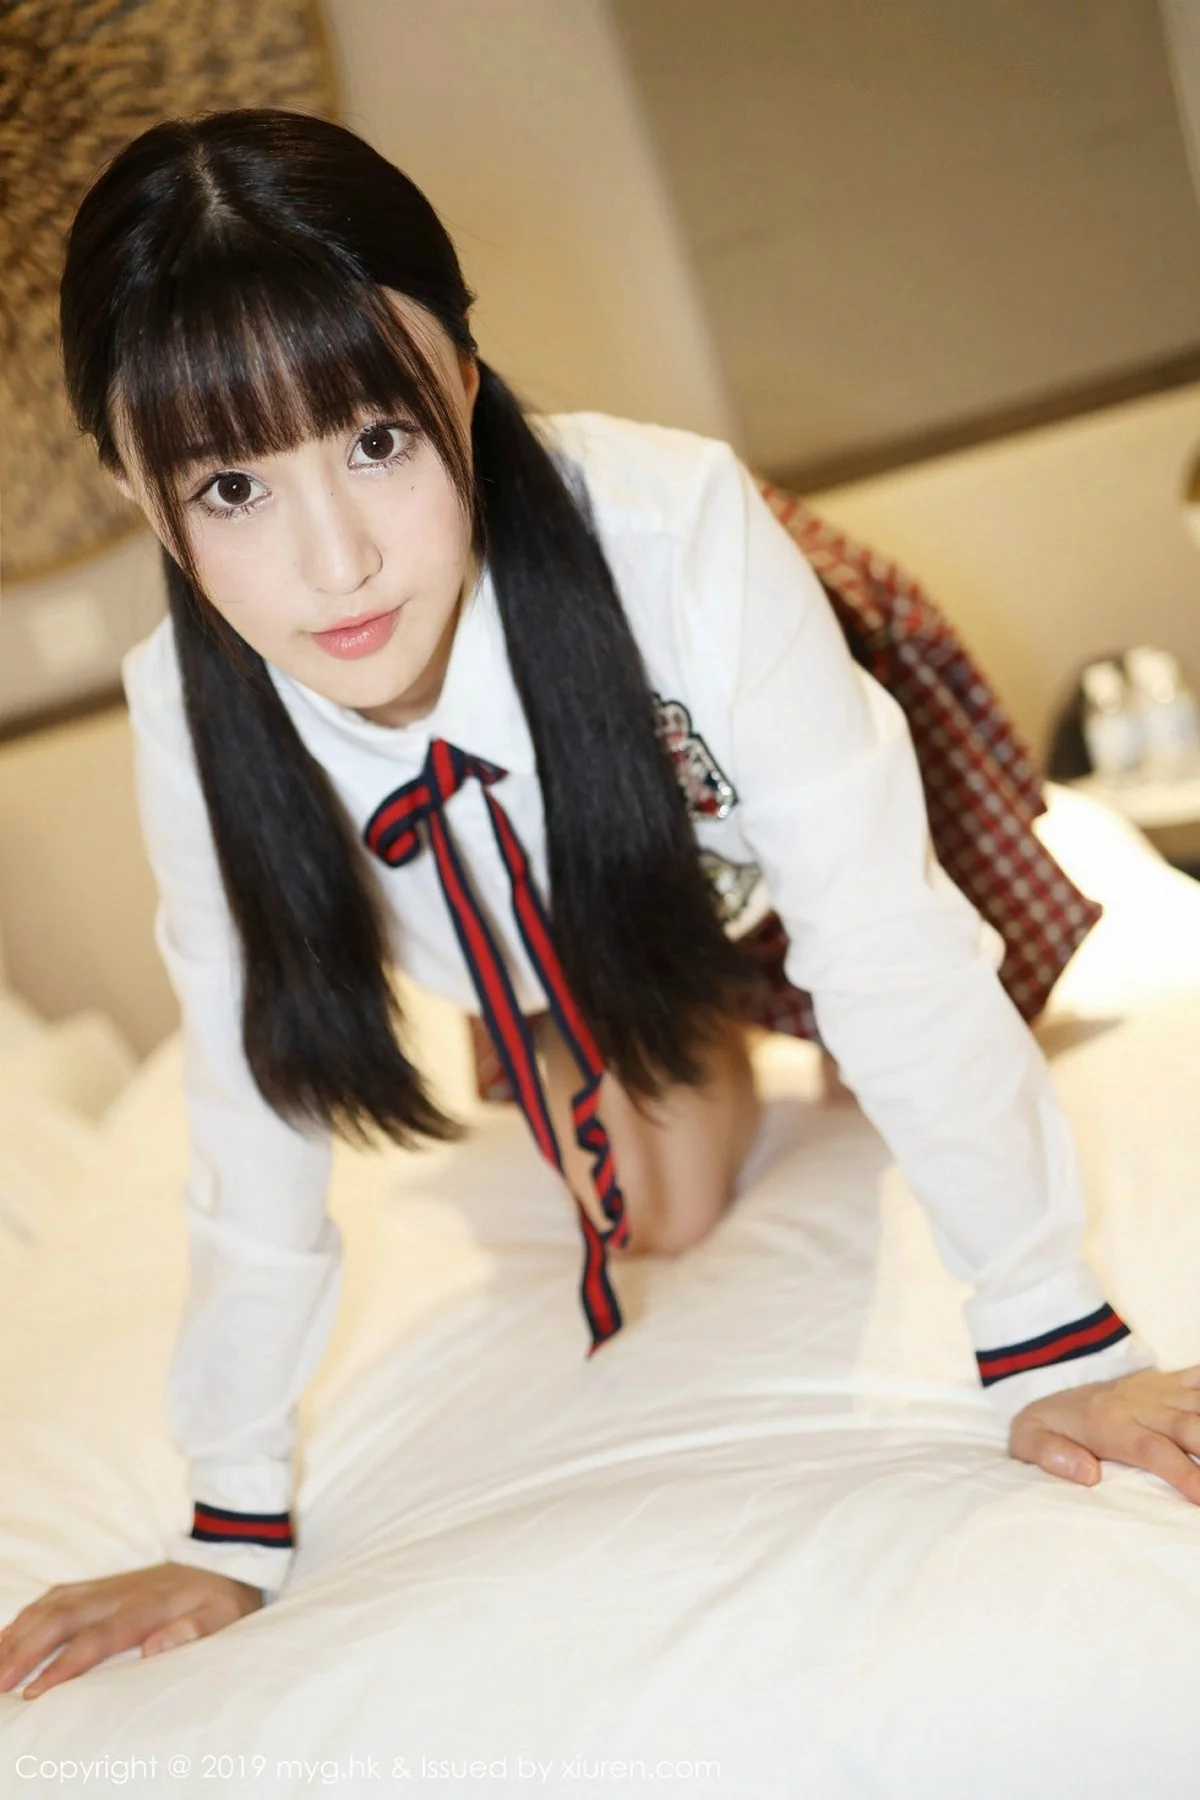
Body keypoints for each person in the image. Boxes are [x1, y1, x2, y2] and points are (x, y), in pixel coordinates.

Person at [4, 106, 1198, 1704]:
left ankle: (735, 1011)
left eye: (376, 441)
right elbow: (251, 1098)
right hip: (594, 922)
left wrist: (1054, 1336)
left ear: (463, 383)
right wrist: (231, 1523)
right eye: (232, 486)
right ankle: (678, 1012)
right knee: (662, 1216)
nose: (337, 565)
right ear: (145, 499)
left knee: (892, 1066)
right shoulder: (187, 705)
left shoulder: (676, 528)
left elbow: (887, 940)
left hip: (772, 801)